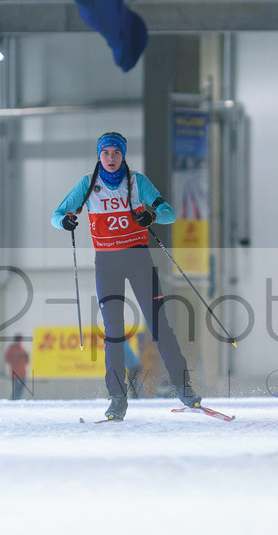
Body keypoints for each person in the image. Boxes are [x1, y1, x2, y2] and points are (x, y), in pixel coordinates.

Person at [51, 131, 201, 421]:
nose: (111, 158)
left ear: (123, 155)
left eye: (116, 153)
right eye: (106, 153)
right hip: (106, 265)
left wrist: (152, 216)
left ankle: (184, 389)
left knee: (160, 324)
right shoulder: (88, 184)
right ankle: (117, 399)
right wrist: (66, 221)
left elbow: (169, 213)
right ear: (99, 155)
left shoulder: (136, 182)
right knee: (114, 333)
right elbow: (56, 216)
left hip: (138, 259)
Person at [4, 334, 30, 400]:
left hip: (22, 372)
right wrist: (16, 358)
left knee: (21, 387)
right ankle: (14, 398)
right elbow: (7, 359)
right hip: (14, 372)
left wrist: (23, 357)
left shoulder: (22, 350)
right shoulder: (11, 349)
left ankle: (17, 398)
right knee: (16, 387)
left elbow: (27, 360)